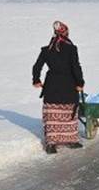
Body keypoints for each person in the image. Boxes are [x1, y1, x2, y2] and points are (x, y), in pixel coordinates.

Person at [32, 21, 85, 154]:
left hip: (52, 85)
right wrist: (80, 83)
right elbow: (75, 67)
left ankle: (51, 143)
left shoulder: (46, 50)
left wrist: (36, 80)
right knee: (68, 113)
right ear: (66, 33)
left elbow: (36, 66)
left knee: (52, 114)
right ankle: (71, 140)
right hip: (68, 85)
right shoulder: (71, 49)